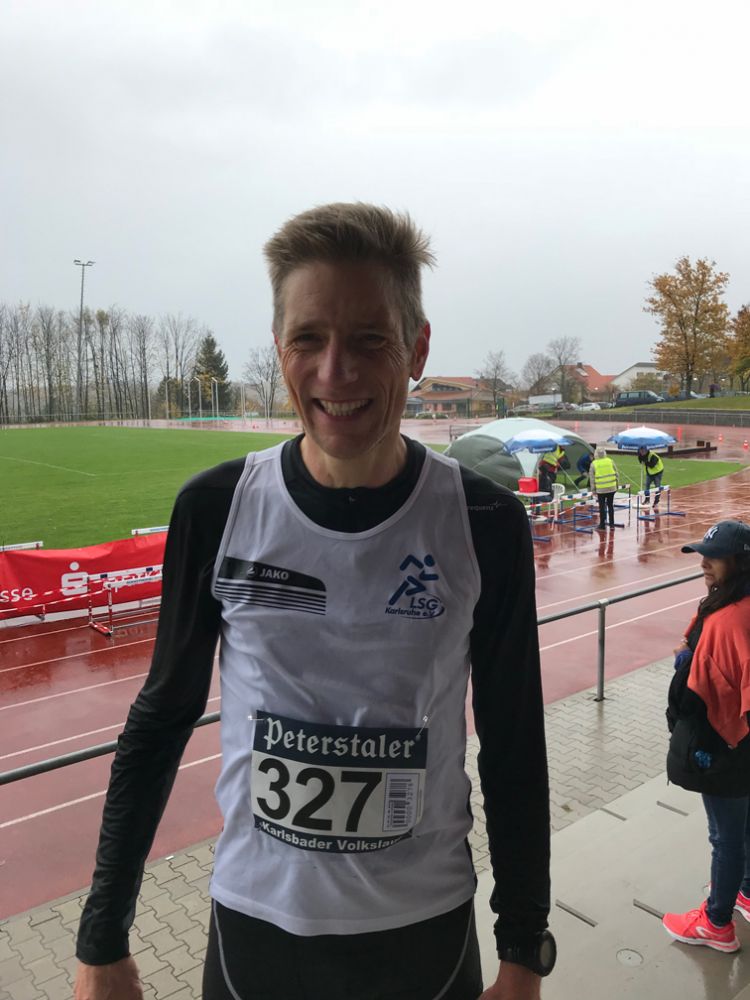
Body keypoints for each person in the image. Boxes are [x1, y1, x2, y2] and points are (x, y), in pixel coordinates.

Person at [74, 203, 554, 1000]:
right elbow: (160, 720)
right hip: (256, 934)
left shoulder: (483, 522)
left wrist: (523, 951)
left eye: (369, 339)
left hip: (424, 939)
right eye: (308, 339)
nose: (336, 372)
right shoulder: (216, 508)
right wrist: (101, 939)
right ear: (279, 348)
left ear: (417, 349)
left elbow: (513, 744)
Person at [662, 519, 750, 954]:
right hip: (737, 741)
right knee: (744, 826)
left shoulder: (729, 619)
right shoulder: (734, 605)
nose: (704, 563)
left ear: (740, 563)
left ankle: (717, 924)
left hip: (724, 741)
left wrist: (687, 660)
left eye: (715, 557)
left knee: (725, 836)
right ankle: (746, 892)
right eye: (703, 555)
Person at [588, 446, 619, 531]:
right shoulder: (610, 461)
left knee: (602, 507)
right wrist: (616, 485)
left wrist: (593, 490)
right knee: (610, 505)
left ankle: (602, 525)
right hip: (611, 488)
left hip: (601, 489)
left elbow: (592, 478)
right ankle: (612, 524)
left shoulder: (594, 463)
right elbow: (617, 474)